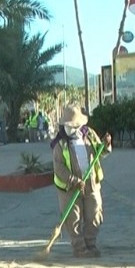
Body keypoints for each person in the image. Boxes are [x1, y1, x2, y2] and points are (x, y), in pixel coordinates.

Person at [51, 103, 112, 258]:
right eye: (67, 125)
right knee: (73, 218)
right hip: (69, 187)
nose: (70, 128)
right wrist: (74, 181)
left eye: (73, 125)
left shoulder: (89, 134)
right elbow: (59, 167)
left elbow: (101, 152)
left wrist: (106, 144)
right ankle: (79, 248)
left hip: (91, 182)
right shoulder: (60, 143)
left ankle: (90, 244)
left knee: (94, 213)